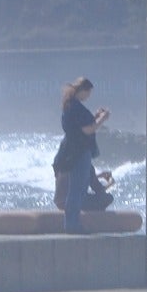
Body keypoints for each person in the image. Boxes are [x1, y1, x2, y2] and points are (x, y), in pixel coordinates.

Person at [52, 76, 109, 233]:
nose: (88, 96)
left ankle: (72, 223)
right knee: (77, 189)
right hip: (78, 151)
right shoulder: (75, 107)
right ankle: (72, 224)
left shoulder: (71, 106)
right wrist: (102, 119)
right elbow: (87, 129)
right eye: (88, 93)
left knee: (78, 188)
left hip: (73, 150)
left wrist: (96, 117)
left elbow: (84, 125)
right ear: (83, 91)